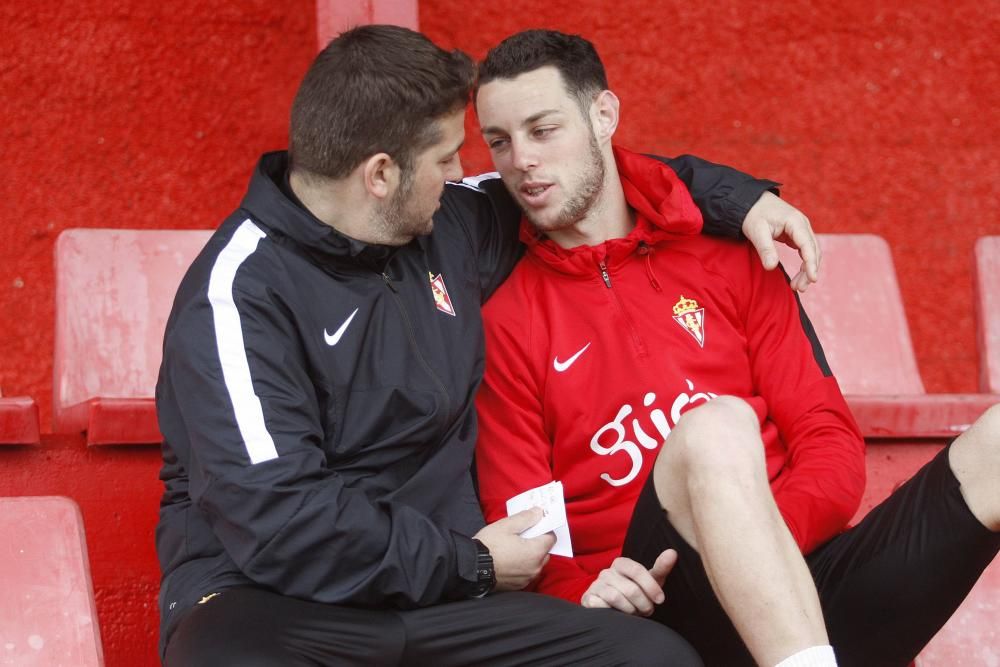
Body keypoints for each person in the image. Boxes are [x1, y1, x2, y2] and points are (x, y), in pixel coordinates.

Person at [155, 24, 821, 666]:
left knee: (652, 656)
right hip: (275, 606)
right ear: (381, 175)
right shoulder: (238, 294)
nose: (465, 170)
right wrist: (472, 561)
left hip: (449, 598)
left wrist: (740, 200)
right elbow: (281, 521)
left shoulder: (451, 222)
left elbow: (597, 178)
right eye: (447, 157)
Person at [473, 29, 1000, 667]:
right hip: (664, 605)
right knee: (715, 429)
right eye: (499, 141)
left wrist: (754, 540)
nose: (521, 159)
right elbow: (523, 519)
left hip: (808, 573)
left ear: (603, 115)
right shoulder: (503, 319)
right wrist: (580, 587)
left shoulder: (734, 261)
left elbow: (829, 442)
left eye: (542, 129)